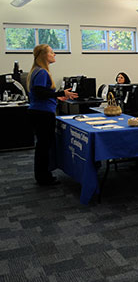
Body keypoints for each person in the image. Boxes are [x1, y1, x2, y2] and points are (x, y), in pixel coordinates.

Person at [27, 44, 78, 186]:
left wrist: (55, 97)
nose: (54, 54)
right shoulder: (42, 72)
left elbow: (42, 93)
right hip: (42, 114)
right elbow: (40, 92)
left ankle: (42, 175)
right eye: (51, 52)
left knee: (42, 145)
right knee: (44, 146)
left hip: (38, 112)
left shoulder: (36, 71)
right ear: (44, 55)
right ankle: (43, 177)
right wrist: (61, 93)